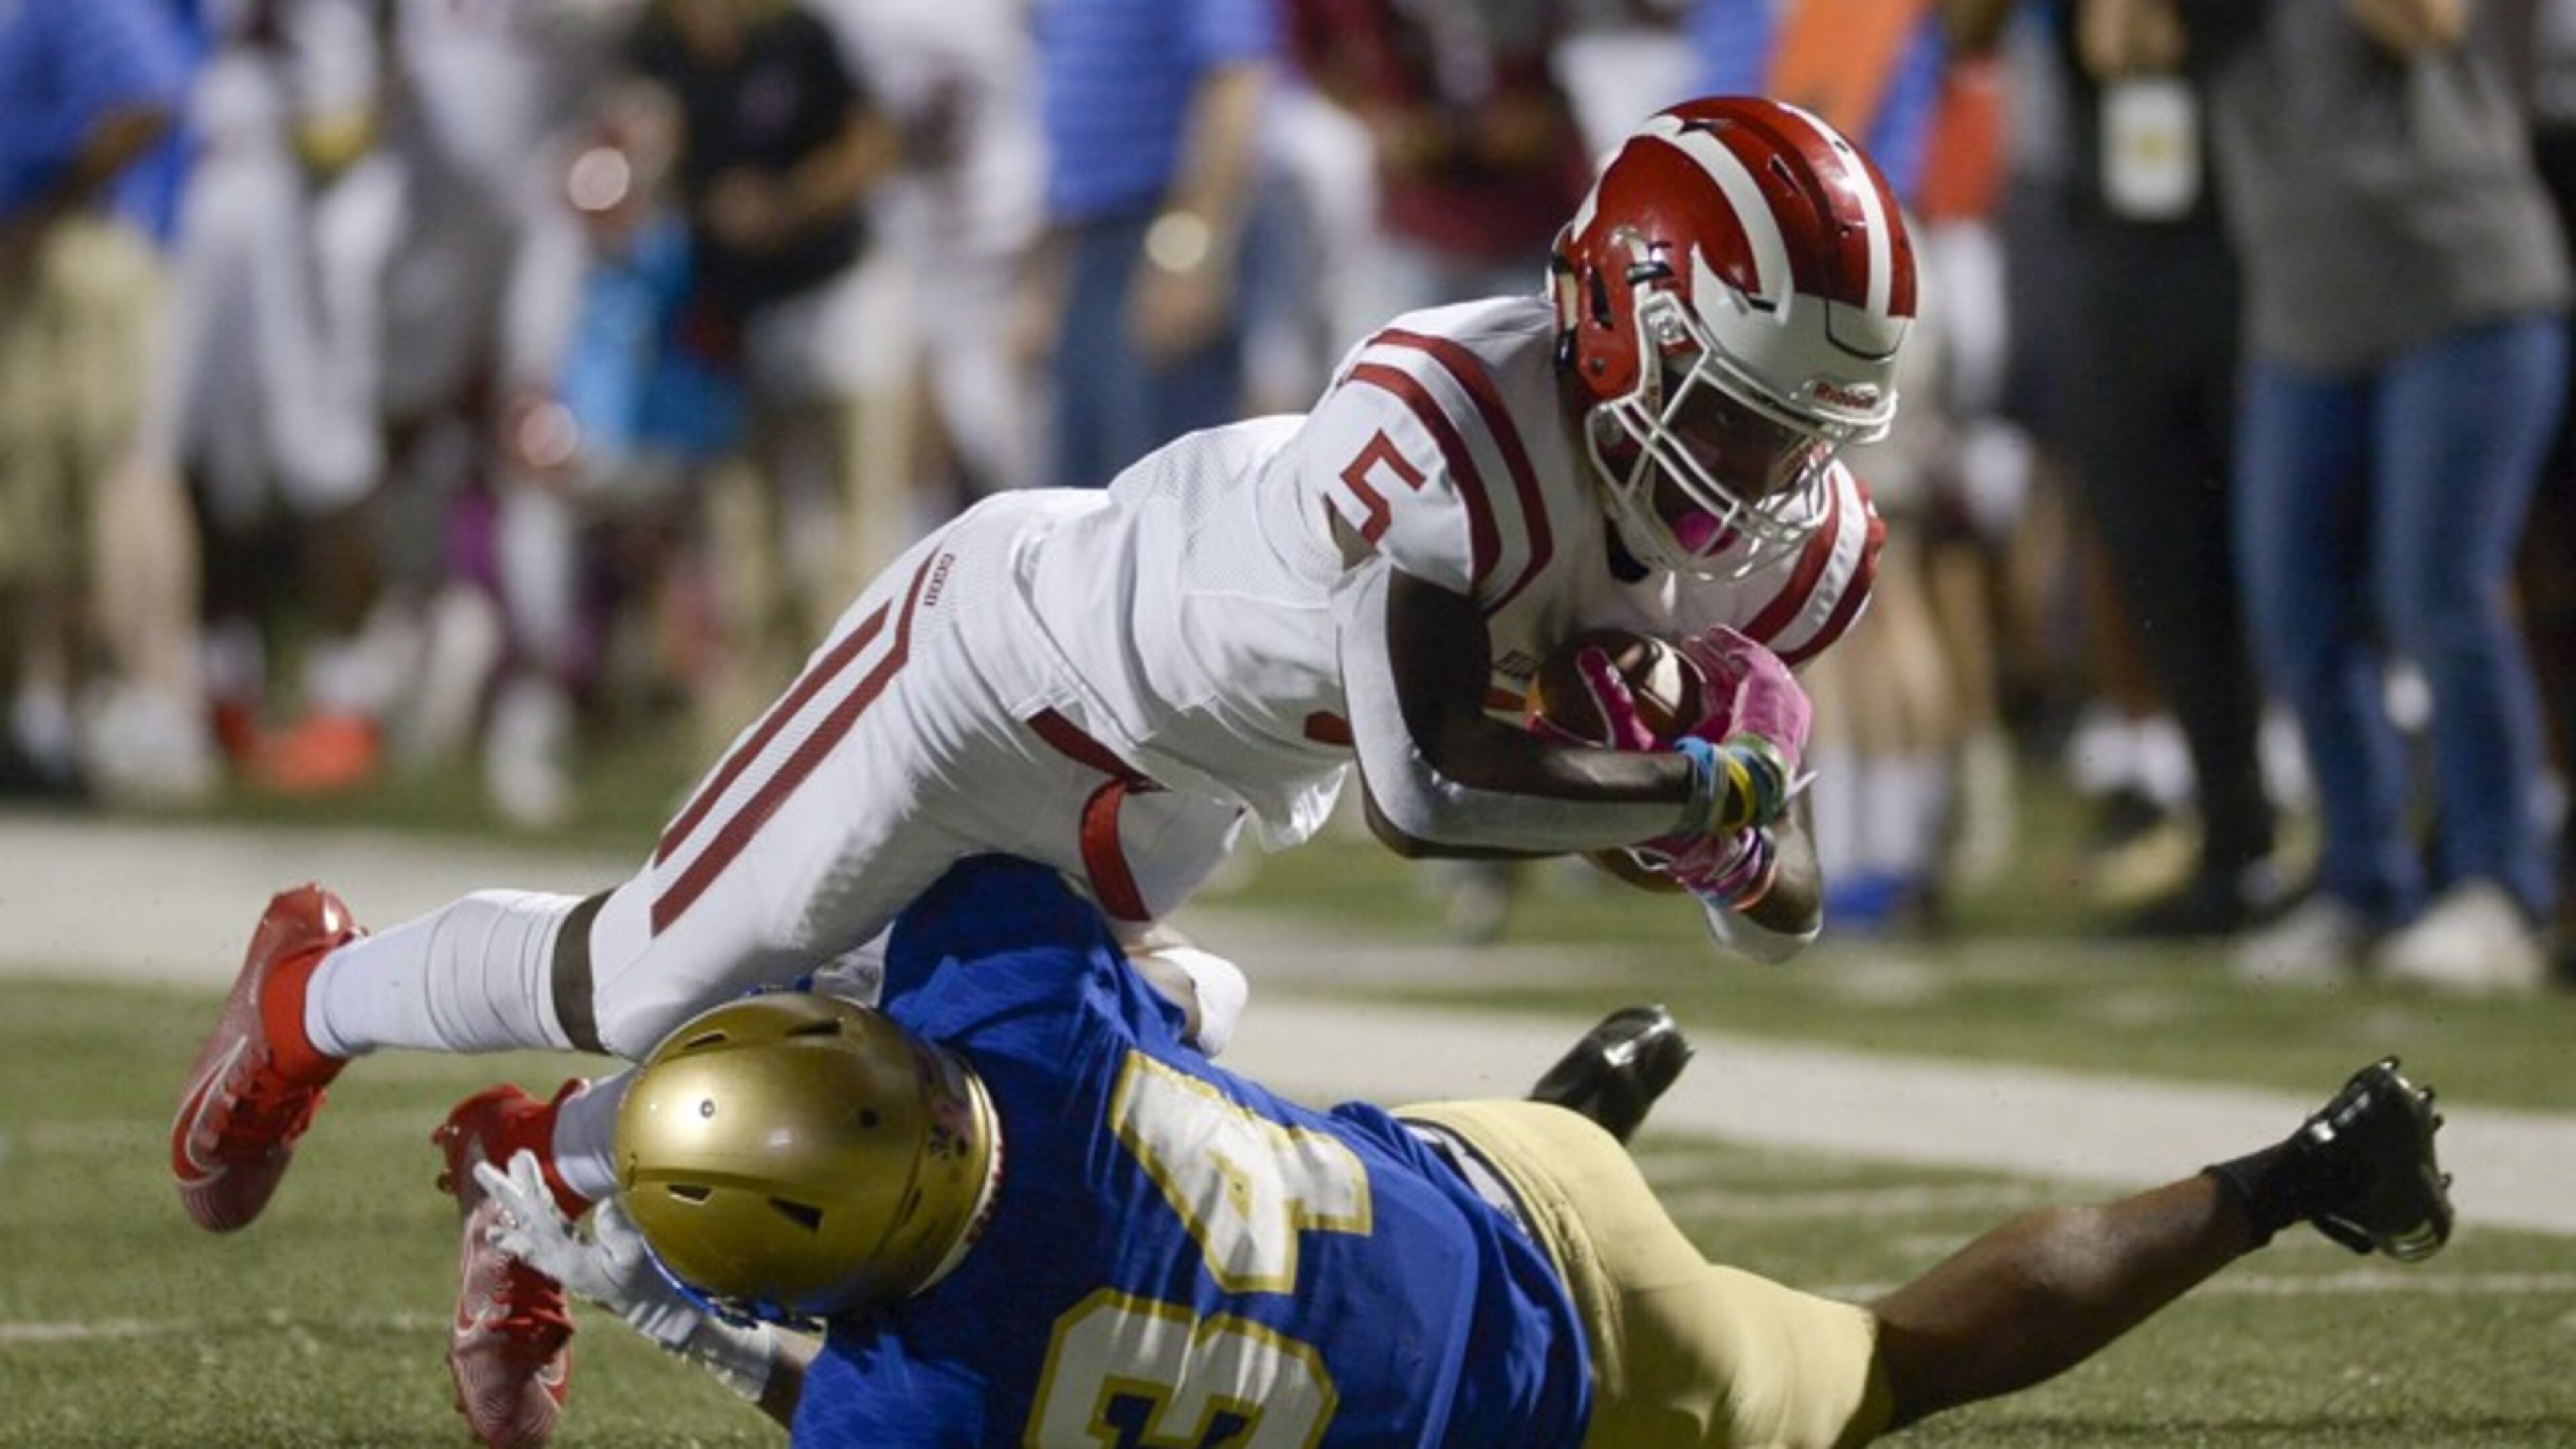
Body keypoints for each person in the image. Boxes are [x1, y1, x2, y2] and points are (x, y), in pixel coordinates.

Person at [170, 95, 1909, 1446]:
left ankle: (547, 1171)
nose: (1756, 474)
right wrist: (1691, 796)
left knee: (974, 1102)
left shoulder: (1773, 537)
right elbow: (1432, 792)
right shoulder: (1457, 413)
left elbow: (1778, 909)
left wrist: (1738, 840)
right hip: (1005, 674)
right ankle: (312, 1000)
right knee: (645, 976)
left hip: (1176, 798)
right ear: (1617, 316)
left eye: (1799, 434)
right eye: (1739, 407)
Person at [470, 853, 2456, 1447]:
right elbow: (975, 860)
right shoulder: (1004, 992)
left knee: (1881, 1371)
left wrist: (697, 1327)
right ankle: (1588, 1105)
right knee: (1307, 1156)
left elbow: (862, 1392)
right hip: (1457, 1160)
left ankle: (2305, 1173)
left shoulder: (908, 1406)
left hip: (1591, 1373)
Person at [2186, 0, 2573, 991]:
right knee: (2296, 612)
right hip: (2302, 316)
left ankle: (2500, 888)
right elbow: (2123, 42)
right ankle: (2363, 883)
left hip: (2461, 286)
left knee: (2440, 594)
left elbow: (2429, 22)